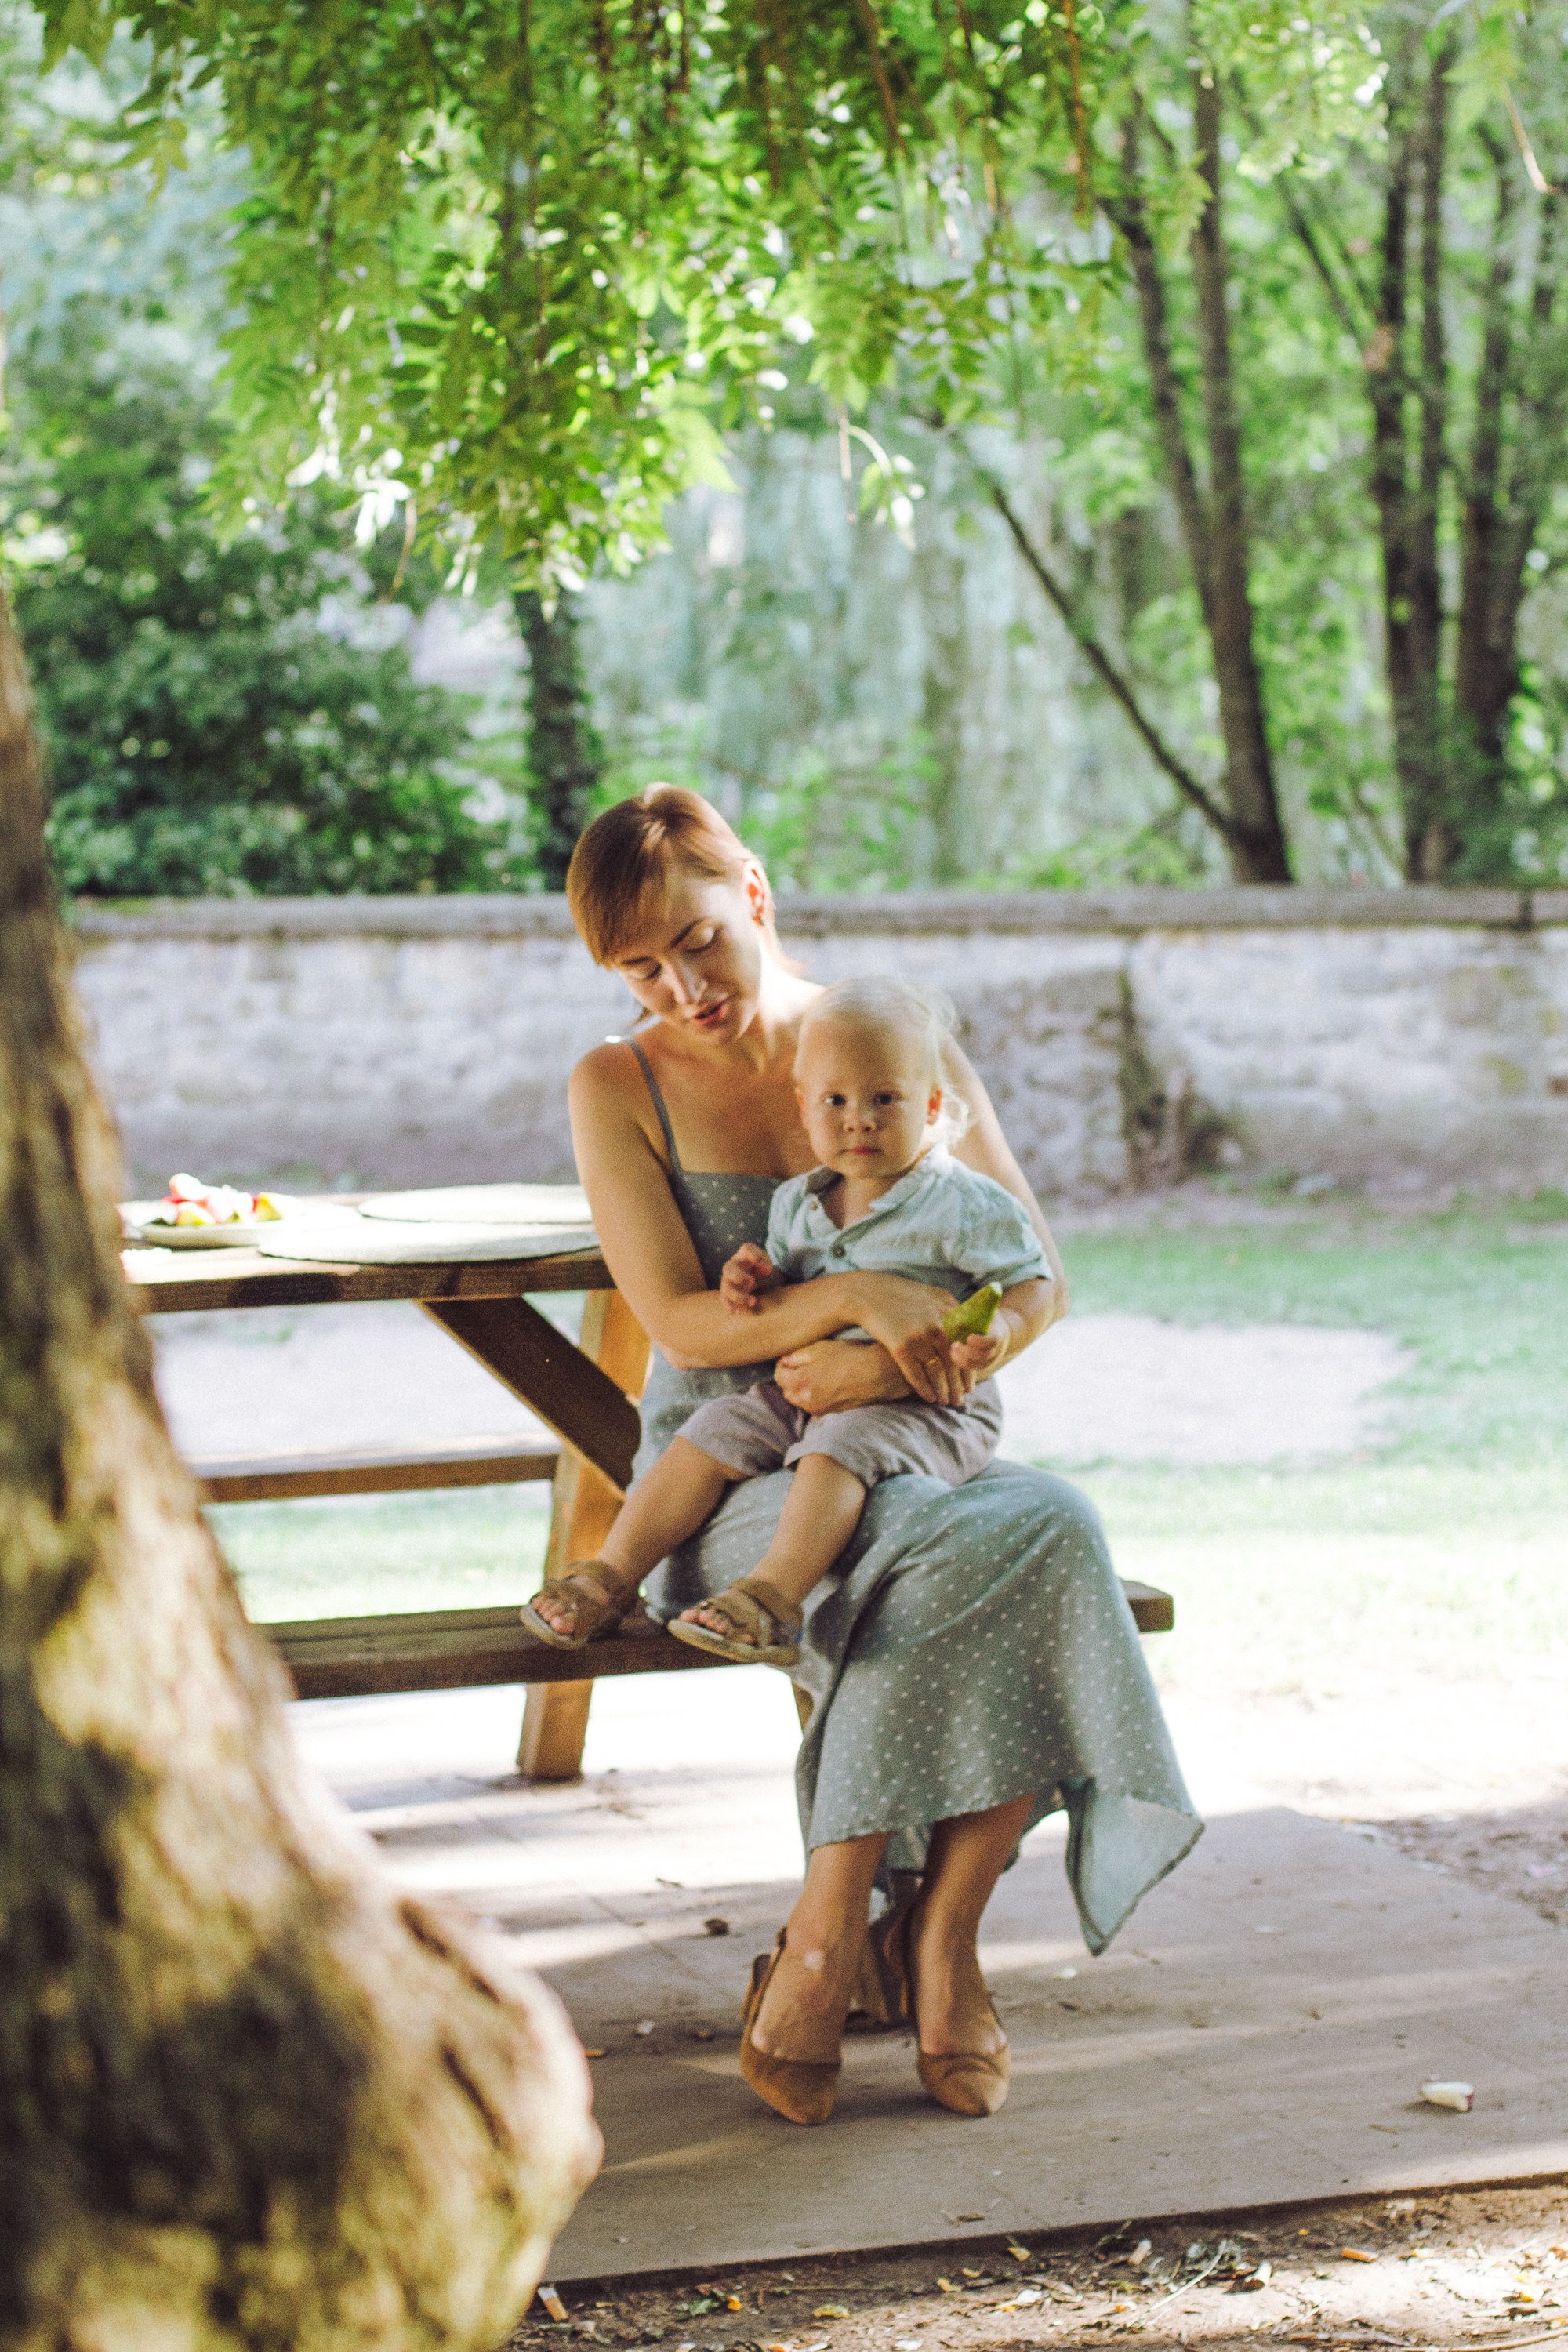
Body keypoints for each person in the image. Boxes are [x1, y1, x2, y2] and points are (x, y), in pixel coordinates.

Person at [530, 786, 1200, 2127]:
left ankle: (909, 1935)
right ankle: (861, 1941)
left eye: (699, 942)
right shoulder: (619, 1085)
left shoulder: (893, 1041)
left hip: (914, 1443)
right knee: (955, 1562)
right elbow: (683, 1324)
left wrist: (894, 1363)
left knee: (1051, 1527)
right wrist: (851, 1300)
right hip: (732, 1480)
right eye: (641, 969)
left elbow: (1038, 1281)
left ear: (755, 895)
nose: (683, 988)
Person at [521, 975, 1051, 1668]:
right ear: (804, 1107)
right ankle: (612, 1576)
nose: (859, 1119)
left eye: (884, 1099)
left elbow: (1035, 1284)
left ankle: (772, 1598)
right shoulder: (799, 1203)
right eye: (836, 1101)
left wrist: (1001, 1332)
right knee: (710, 1431)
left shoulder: (964, 1203)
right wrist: (754, 1282)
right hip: (801, 1395)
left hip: (926, 1406)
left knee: (836, 1450)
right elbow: (790, 1292)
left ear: (929, 1105)